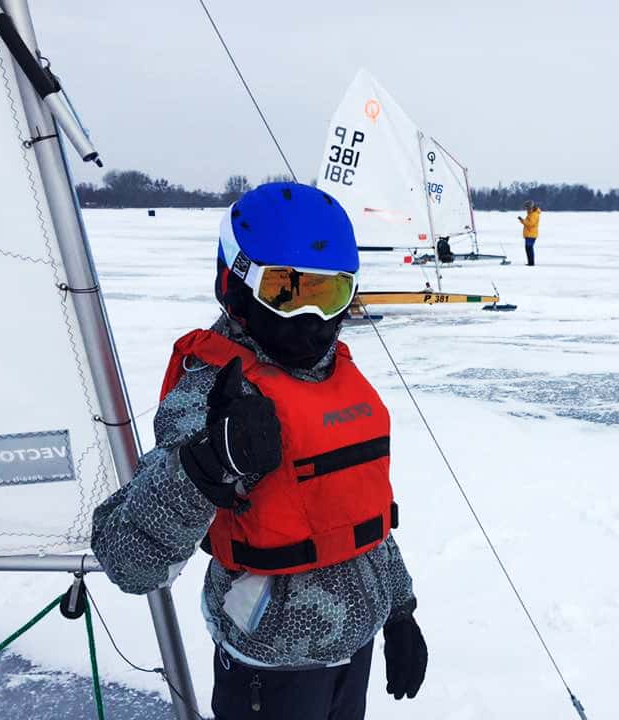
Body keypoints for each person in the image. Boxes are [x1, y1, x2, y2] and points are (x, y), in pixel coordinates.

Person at [92, 182, 427, 720]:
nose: (311, 318)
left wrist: (399, 611)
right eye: (285, 292)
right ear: (235, 282)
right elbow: (128, 562)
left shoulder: (331, 376)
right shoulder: (212, 394)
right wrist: (204, 464)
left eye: (329, 294)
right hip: (270, 669)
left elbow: (355, 512)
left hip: (354, 647)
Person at [517, 200, 541, 266]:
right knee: (528, 248)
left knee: (529, 248)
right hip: (529, 234)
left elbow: (530, 224)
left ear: (531, 207)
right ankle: (530, 262)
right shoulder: (530, 213)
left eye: (527, 207)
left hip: (531, 234)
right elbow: (528, 223)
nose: (526, 209)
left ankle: (531, 263)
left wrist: (522, 220)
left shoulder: (534, 214)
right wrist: (522, 221)